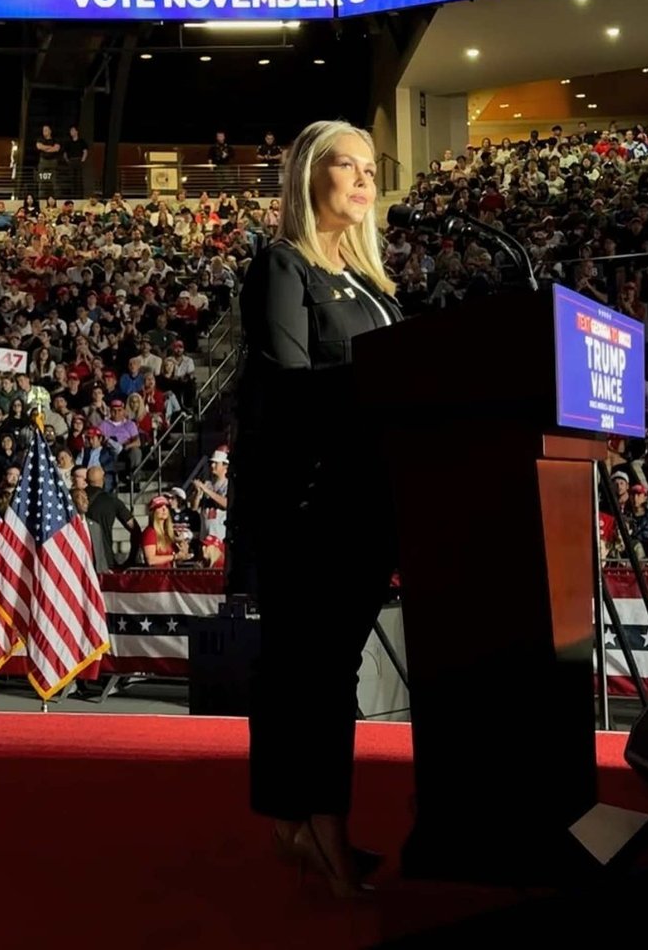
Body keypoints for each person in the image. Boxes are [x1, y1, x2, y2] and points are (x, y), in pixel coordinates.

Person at [231, 119, 403, 898]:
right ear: (310, 175)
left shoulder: (374, 286)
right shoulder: (283, 265)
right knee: (315, 673)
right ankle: (319, 828)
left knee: (325, 669)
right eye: (349, 164)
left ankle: (296, 825)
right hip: (312, 505)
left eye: (373, 168)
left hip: (371, 501)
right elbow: (286, 389)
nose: (365, 180)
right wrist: (390, 383)